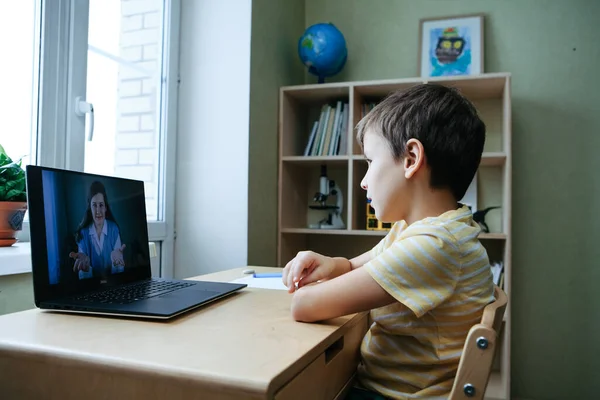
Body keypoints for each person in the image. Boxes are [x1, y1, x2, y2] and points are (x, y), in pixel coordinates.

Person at [282, 84, 494, 399]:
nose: (364, 180)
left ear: (411, 158)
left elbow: (304, 306)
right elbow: (354, 266)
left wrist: (314, 289)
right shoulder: (423, 231)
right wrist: (331, 264)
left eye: (370, 161)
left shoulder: (433, 245)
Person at [69, 181, 126, 280]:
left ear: (105, 208)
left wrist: (116, 265)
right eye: (94, 205)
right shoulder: (83, 234)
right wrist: (85, 270)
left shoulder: (114, 229)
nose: (98, 211)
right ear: (90, 208)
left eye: (101, 205)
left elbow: (119, 274)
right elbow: (83, 280)